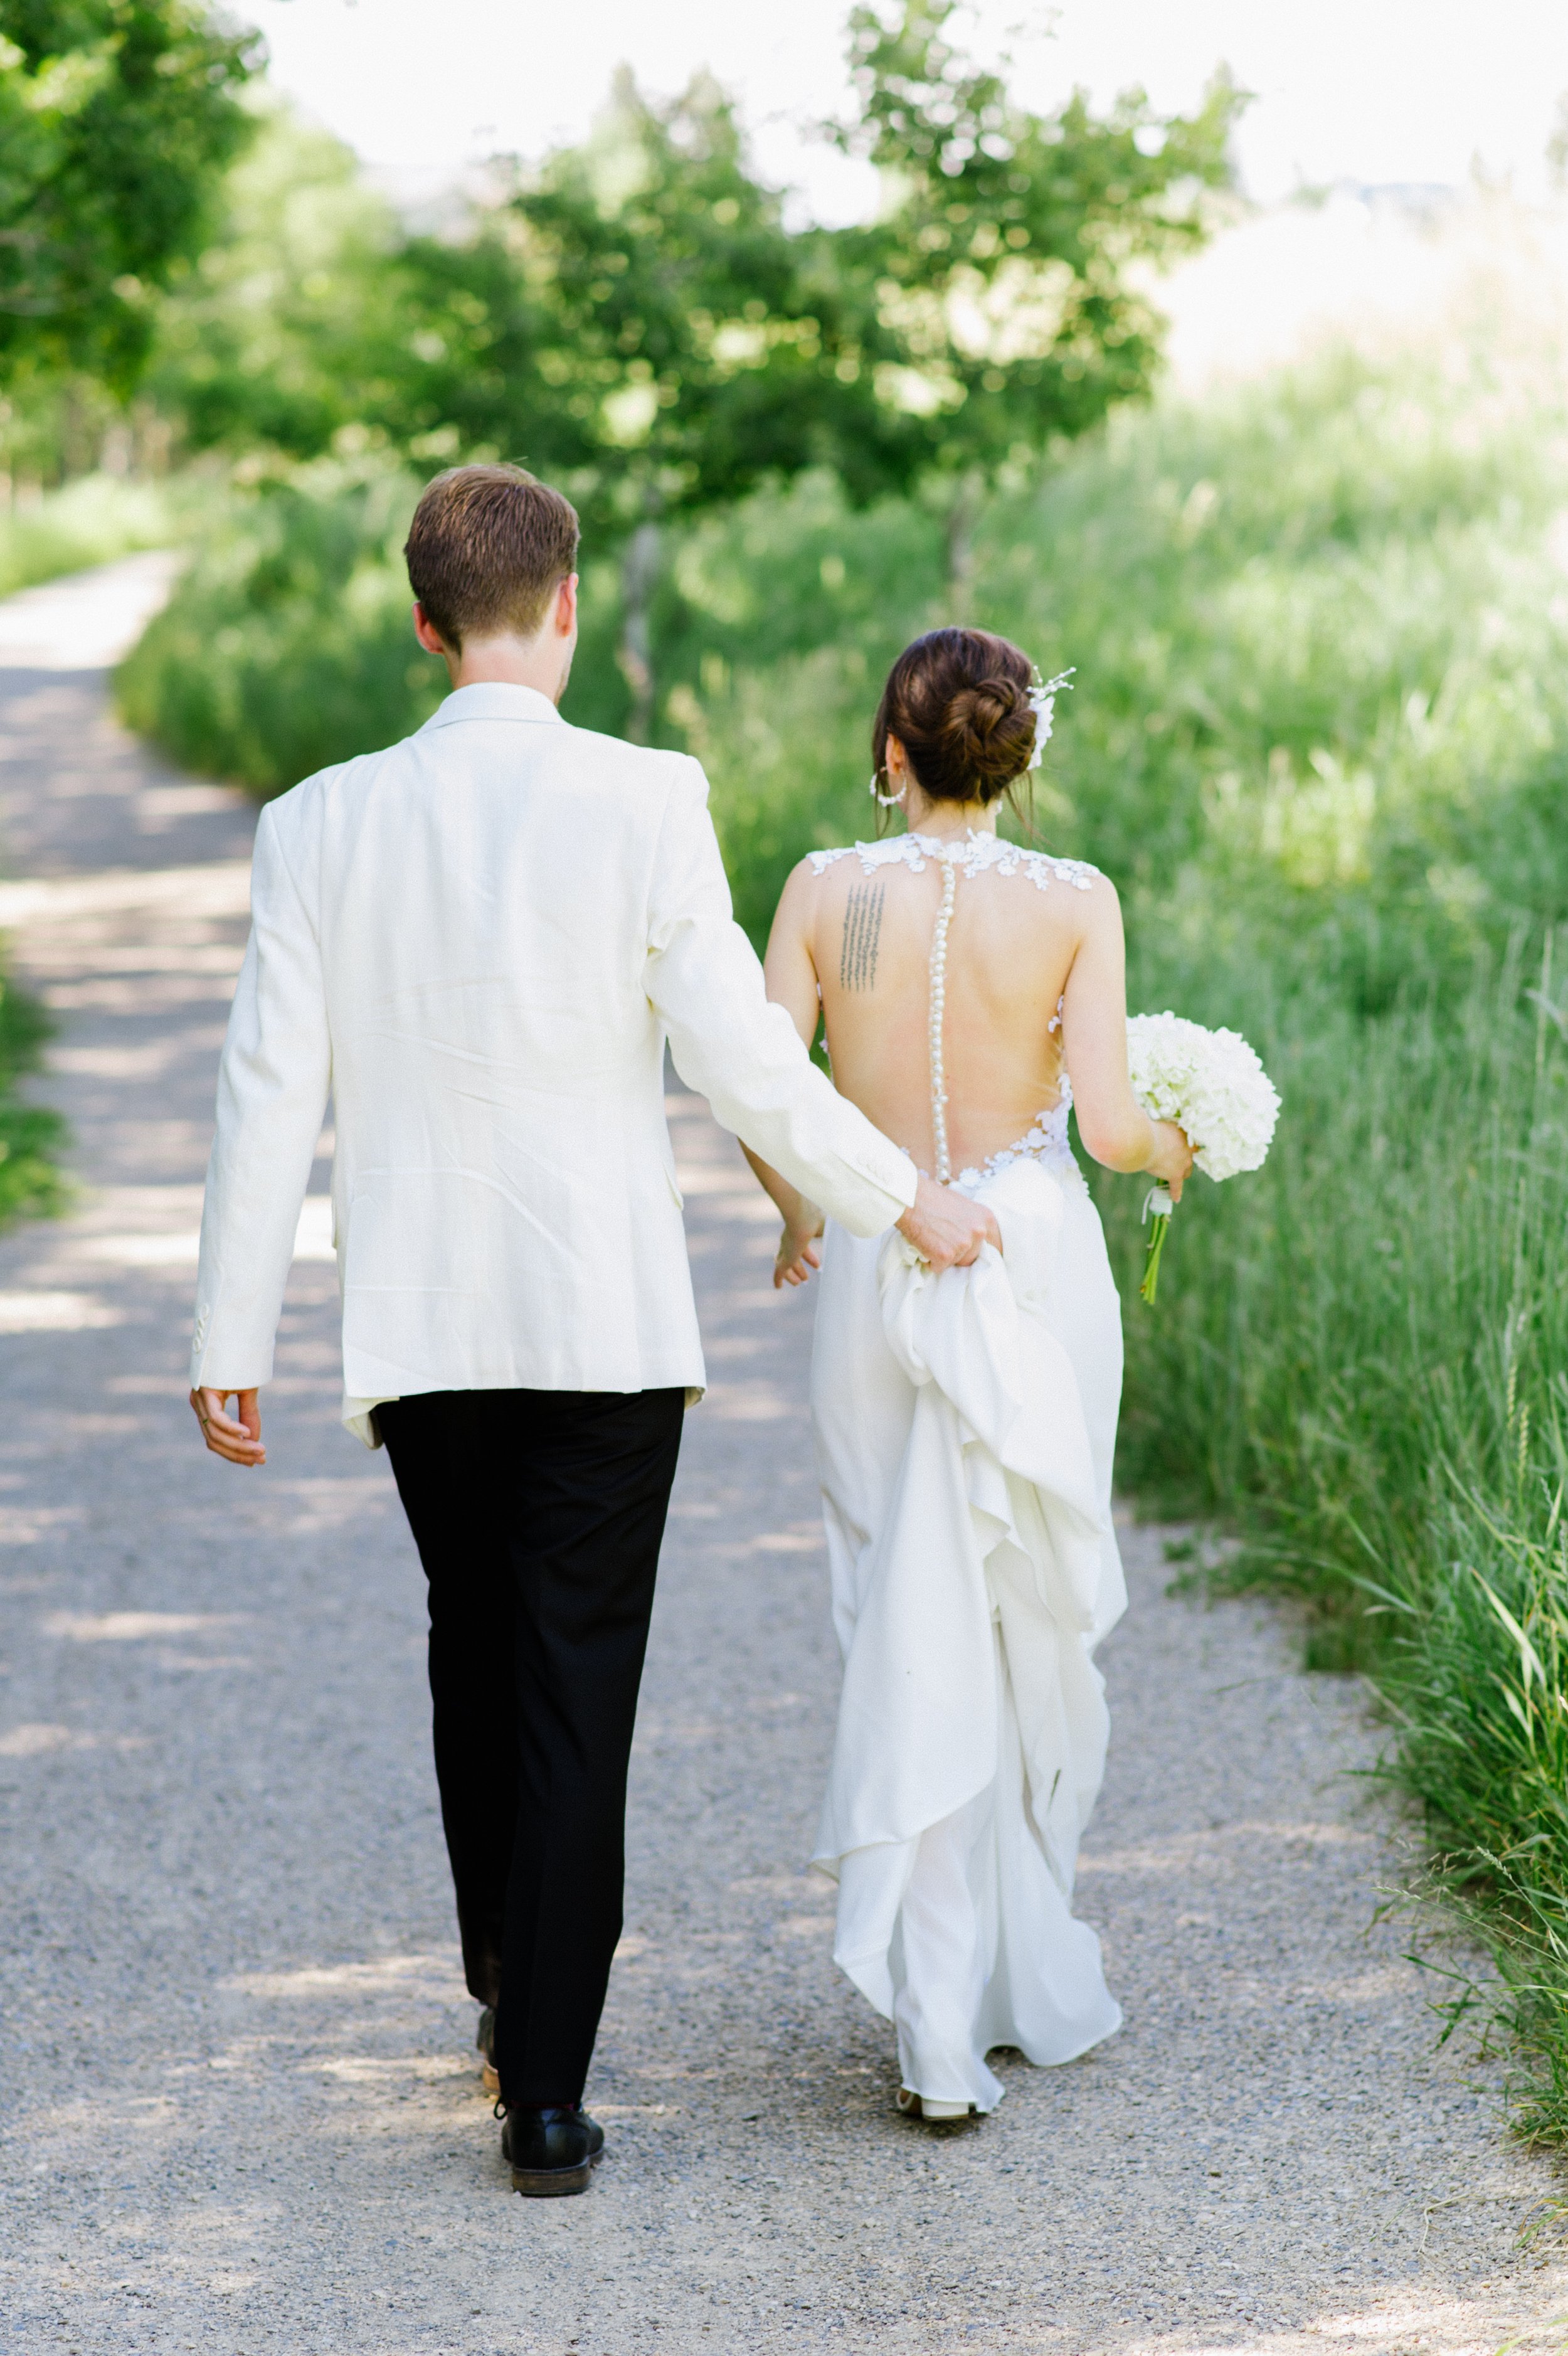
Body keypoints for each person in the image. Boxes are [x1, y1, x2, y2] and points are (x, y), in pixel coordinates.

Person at [185, 466, 999, 2196]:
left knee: (470, 1646)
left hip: (420, 1331)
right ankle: (543, 2089)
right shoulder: (645, 794)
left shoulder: (319, 820)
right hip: (605, 1326)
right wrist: (893, 1194)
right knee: (573, 1678)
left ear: (423, 624)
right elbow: (737, 1051)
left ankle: (505, 1980)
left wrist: (227, 1331)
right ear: (562, 608)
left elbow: (267, 1088)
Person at [743, 627, 1194, 2120]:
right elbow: (1115, 1124)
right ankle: (985, 1988)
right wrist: (1188, 1148)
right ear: (1016, 753)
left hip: (883, 1258)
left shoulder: (822, 890)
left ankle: (940, 2012)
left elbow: (766, 1092)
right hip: (1032, 1255)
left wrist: (808, 1212)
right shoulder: (1074, 902)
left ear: (891, 751)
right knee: (1017, 1610)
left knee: (896, 1610)